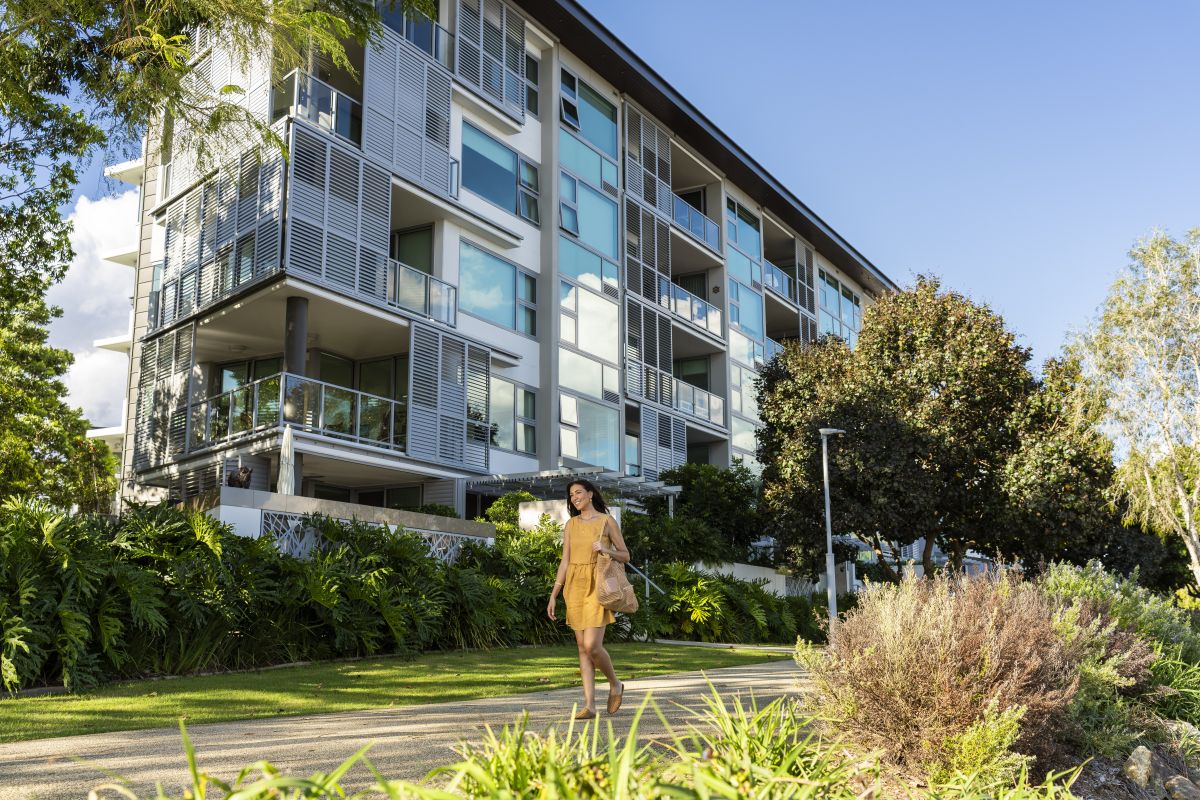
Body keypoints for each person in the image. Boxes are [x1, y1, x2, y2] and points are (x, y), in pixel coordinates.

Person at [546, 479, 630, 719]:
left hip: (597, 585)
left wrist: (606, 550)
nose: (574, 497)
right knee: (582, 649)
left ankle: (615, 683)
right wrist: (554, 594)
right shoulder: (571, 525)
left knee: (592, 645)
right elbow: (565, 561)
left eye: (578, 492)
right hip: (574, 586)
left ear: (590, 494)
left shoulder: (606, 521)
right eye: (571, 494)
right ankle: (590, 706)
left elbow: (625, 555)